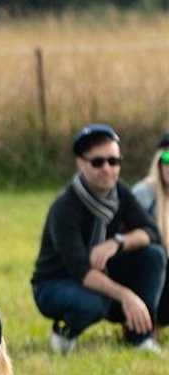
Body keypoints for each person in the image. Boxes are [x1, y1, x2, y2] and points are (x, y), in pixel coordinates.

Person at [31, 123, 166, 354]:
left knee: (153, 256)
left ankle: (140, 337)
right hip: (55, 283)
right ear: (80, 163)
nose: (107, 169)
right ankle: (63, 332)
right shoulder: (65, 207)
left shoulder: (120, 193)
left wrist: (117, 242)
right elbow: (80, 270)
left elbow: (150, 232)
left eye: (113, 161)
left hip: (100, 274)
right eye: (98, 162)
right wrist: (127, 296)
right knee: (95, 301)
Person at [132, 131, 169, 326]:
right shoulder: (143, 193)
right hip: (144, 269)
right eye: (167, 158)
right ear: (158, 162)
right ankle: (143, 324)